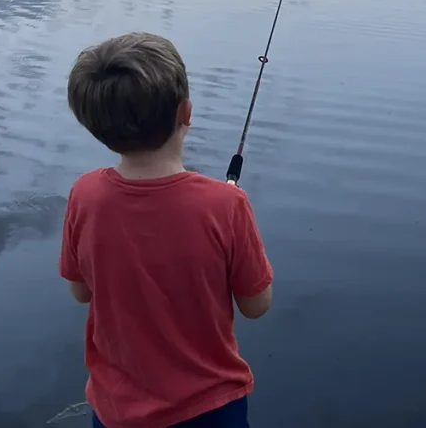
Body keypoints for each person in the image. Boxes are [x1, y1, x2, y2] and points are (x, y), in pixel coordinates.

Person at [60, 32, 274, 428]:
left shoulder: (84, 194)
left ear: (95, 126)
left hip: (116, 412)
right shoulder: (226, 206)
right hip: (211, 410)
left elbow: (80, 292)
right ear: (186, 112)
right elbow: (256, 305)